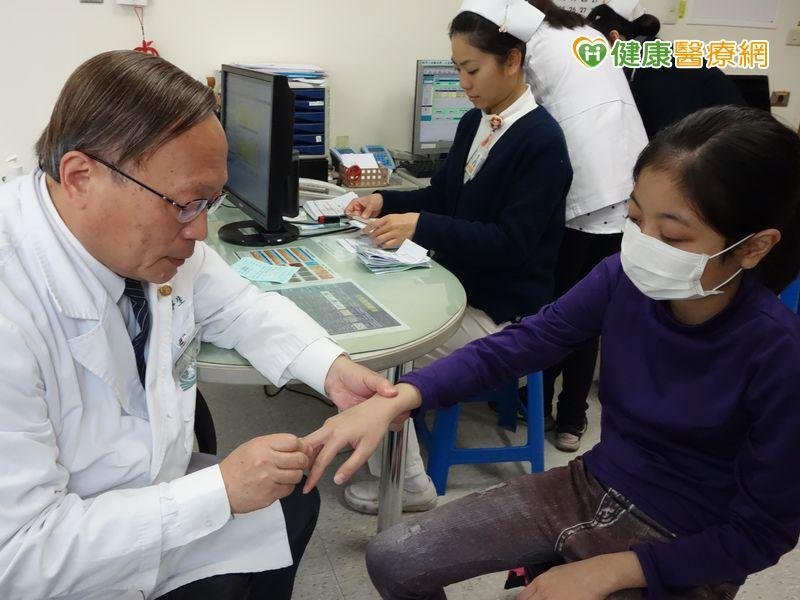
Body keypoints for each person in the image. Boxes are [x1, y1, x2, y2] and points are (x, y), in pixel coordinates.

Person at [303, 106, 800, 599]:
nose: (643, 245)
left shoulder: (778, 353)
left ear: (753, 247)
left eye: (671, 235)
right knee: (393, 558)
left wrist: (617, 569)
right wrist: (402, 396)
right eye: (634, 219)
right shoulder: (620, 279)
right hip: (594, 485)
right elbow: (525, 342)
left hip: (691, 543)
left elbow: (760, 534)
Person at [0, 50, 398, 600]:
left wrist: (331, 368)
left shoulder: (138, 240)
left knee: (293, 500)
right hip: (69, 560)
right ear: (80, 177)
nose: (200, 231)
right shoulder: (13, 307)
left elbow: (239, 306)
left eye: (210, 202)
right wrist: (219, 492)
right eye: (186, 204)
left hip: (144, 491)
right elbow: (20, 556)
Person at [341, 0, 572, 514]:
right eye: (458, 70)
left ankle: (409, 485)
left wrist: (421, 225)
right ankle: (392, 450)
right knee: (363, 326)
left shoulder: (542, 141)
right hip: (455, 287)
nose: (464, 83)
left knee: (373, 360)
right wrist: (385, 200)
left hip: (503, 312)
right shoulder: (476, 122)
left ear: (512, 61)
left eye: (472, 69)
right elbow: (443, 195)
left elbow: (511, 243)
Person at [521, 0, 649, 452]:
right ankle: (571, 417)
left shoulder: (531, 46)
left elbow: (522, 117)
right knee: (592, 309)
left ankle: (539, 405)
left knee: (562, 310)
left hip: (587, 188)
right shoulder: (585, 33)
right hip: (628, 183)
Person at [587, 0, 746, 139]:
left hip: (733, 150)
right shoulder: (650, 59)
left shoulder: (662, 70)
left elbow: (667, 143)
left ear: (615, 38)